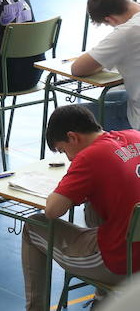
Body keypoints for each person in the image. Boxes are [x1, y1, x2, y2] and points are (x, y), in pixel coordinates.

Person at [22, 106, 140, 311]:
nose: (68, 158)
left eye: (63, 150)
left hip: (123, 261)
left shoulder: (90, 157)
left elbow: (52, 211)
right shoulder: (134, 135)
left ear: (73, 137)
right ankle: (104, 298)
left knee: (33, 226)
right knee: (93, 206)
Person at [72, 0, 140, 131]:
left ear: (111, 19)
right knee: (110, 95)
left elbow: (78, 68)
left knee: (72, 118)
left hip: (136, 121)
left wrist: (103, 61)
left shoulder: (127, 32)